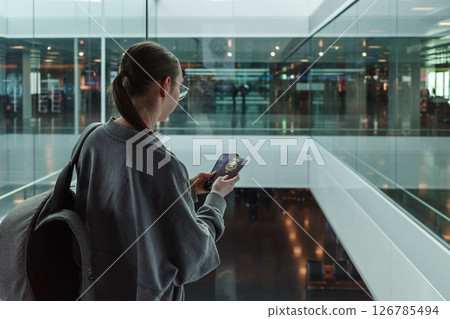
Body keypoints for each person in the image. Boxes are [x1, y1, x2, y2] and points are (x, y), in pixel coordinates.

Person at [74, 42, 240, 301]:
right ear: (165, 86)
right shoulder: (161, 162)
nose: (179, 96)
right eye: (180, 88)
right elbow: (195, 254)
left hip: (94, 290)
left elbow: (127, 204)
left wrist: (183, 189)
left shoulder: (93, 138)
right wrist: (216, 198)